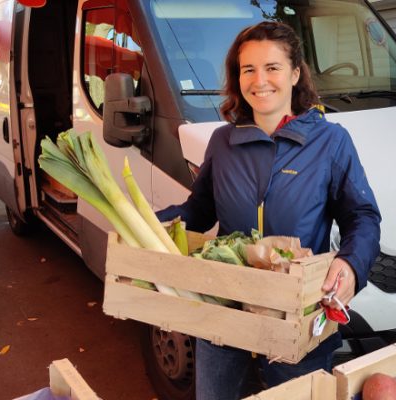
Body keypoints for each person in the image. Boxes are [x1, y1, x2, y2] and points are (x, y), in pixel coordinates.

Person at [157, 21, 381, 399]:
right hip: (226, 308)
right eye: (248, 69)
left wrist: (351, 264)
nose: (260, 80)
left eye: (272, 67)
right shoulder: (223, 141)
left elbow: (362, 216)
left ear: (295, 74)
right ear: (237, 77)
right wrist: (155, 223)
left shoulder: (330, 141)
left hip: (296, 311)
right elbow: (199, 210)